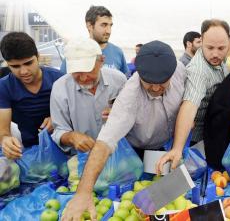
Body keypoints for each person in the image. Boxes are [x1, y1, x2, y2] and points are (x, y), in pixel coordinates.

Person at [61, 40, 186, 220]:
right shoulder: (129, 97)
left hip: (165, 148)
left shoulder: (179, 70)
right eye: (149, 83)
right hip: (135, 152)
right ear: (138, 73)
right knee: (141, 191)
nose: (156, 88)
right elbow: (104, 143)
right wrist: (83, 193)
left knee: (174, 186)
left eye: (163, 82)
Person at [156, 19, 230, 174]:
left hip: (211, 133)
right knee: (189, 178)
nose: (215, 53)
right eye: (210, 47)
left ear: (229, 43)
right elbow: (189, 106)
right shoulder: (198, 70)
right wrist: (177, 149)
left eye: (221, 48)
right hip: (194, 141)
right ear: (201, 41)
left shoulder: (221, 62)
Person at [50, 38, 127, 154]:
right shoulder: (60, 88)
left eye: (89, 70)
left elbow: (132, 116)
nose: (83, 78)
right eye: (76, 72)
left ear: (101, 61)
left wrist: (119, 114)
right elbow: (59, 130)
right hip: (80, 158)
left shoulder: (118, 80)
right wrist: (72, 137)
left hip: (117, 153)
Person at [0, 32, 63, 159]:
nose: (23, 71)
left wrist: (57, 118)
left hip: (63, 147)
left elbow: (76, 115)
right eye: (15, 66)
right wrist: (5, 141)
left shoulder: (59, 79)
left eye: (28, 63)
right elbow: (4, 131)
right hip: (26, 150)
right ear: (7, 64)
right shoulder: (4, 87)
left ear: (38, 57)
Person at [60, 6, 129, 76]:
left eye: (110, 25)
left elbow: (126, 81)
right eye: (103, 25)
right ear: (89, 26)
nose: (108, 31)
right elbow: (63, 82)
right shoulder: (75, 52)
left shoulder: (117, 52)